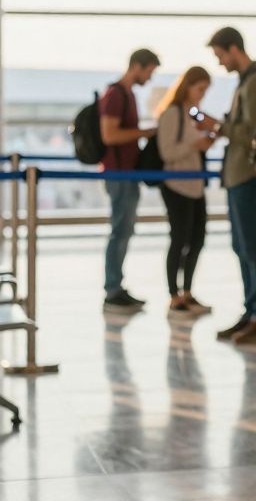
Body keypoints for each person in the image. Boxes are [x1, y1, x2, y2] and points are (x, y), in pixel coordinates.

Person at [208, 27, 256, 345]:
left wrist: (219, 126)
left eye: (220, 55)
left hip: (248, 176)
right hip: (238, 175)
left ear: (234, 49)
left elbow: (254, 134)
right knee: (242, 246)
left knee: (252, 247)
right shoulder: (247, 81)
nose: (220, 62)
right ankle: (251, 312)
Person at [100, 48, 160, 313]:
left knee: (124, 230)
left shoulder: (128, 95)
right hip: (119, 173)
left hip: (127, 172)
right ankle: (112, 289)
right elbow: (110, 135)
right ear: (137, 66)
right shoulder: (115, 95)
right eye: (149, 71)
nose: (150, 77)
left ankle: (116, 286)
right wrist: (144, 133)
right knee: (120, 230)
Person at [154, 66, 217, 316]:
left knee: (197, 239)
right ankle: (174, 295)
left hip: (195, 185)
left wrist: (204, 140)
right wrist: (195, 143)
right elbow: (167, 152)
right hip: (176, 185)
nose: (202, 94)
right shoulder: (172, 113)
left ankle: (188, 292)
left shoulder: (192, 114)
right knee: (179, 239)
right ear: (187, 86)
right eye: (200, 89)